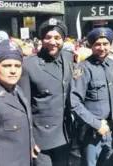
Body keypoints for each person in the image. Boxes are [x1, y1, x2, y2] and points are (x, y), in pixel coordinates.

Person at [18, 18, 74, 166]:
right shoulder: (29, 65)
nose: (52, 42)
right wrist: (29, 140)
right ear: (42, 39)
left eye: (57, 38)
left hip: (64, 135)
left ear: (63, 39)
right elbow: (24, 107)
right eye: (48, 37)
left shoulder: (68, 58)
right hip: (41, 138)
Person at [70, 27, 113, 166]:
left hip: (112, 132)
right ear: (91, 46)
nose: (102, 48)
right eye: (97, 44)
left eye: (105, 44)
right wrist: (96, 124)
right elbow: (74, 102)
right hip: (91, 133)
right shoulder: (83, 68)